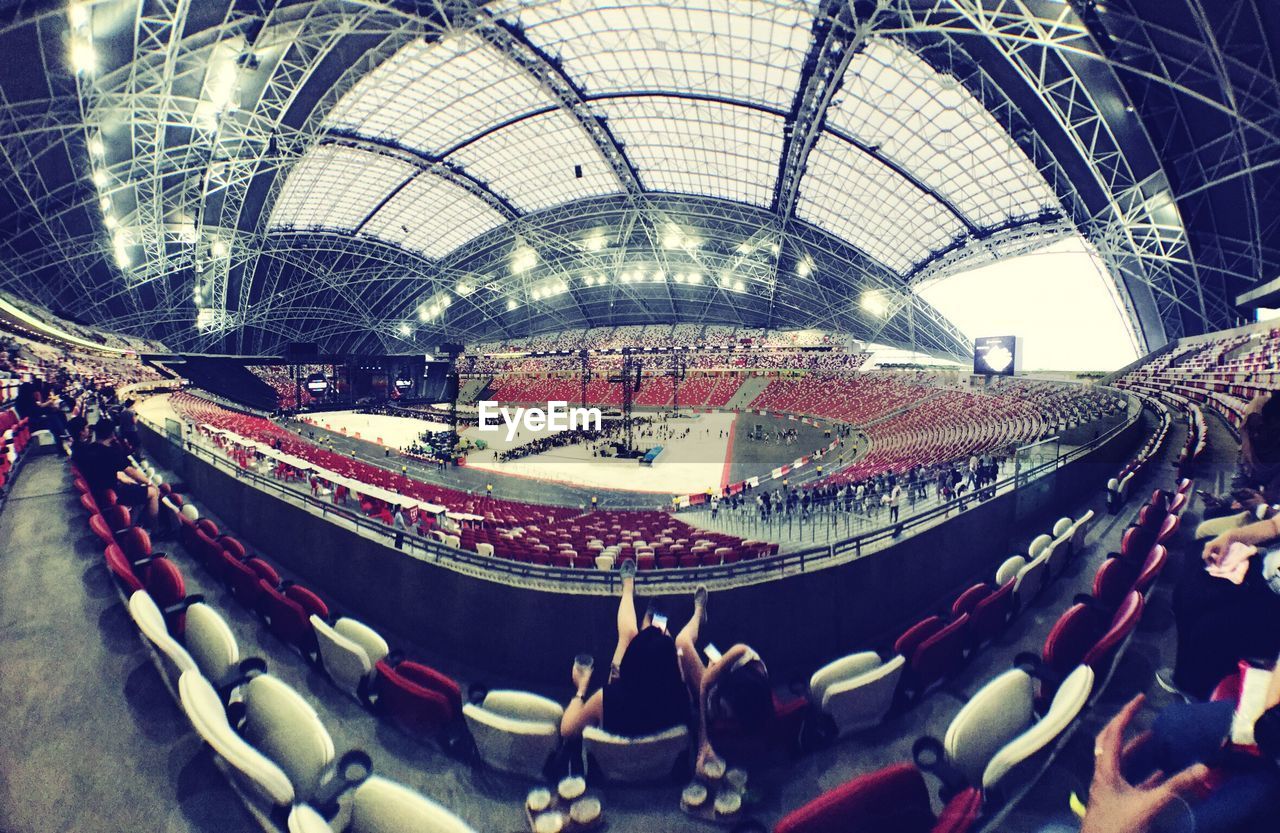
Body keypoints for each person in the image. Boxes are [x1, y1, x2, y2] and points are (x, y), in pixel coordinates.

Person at [1164, 514, 1280, 698]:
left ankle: (1195, 688)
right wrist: (1231, 537)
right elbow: (1274, 526)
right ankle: (1189, 672)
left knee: (1212, 623)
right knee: (1197, 557)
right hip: (1267, 569)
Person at [73, 420, 159, 525]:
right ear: (112, 434)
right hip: (113, 492)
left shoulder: (88, 449)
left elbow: (103, 469)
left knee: (130, 482)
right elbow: (131, 471)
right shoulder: (111, 453)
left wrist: (121, 477)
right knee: (153, 492)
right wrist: (149, 483)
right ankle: (153, 528)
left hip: (99, 490)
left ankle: (136, 517)